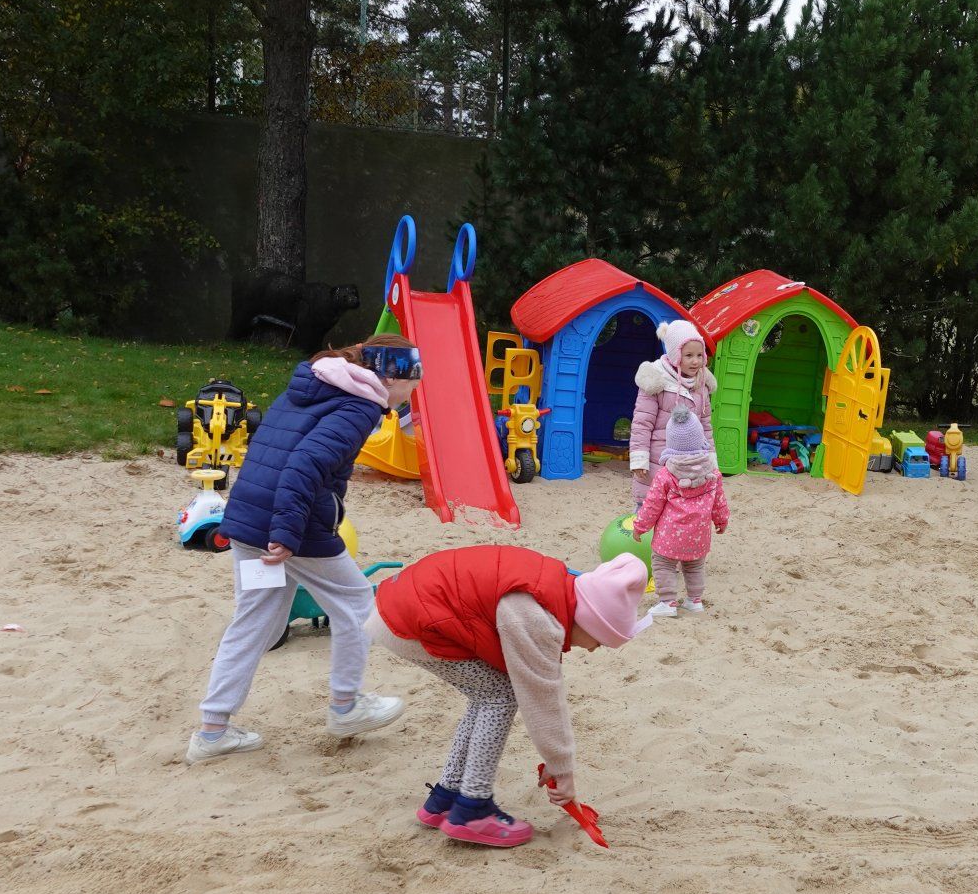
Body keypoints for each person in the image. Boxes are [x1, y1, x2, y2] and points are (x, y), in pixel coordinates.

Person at [185, 336, 422, 765]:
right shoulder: (358, 406)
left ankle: (212, 731)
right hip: (293, 525)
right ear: (392, 376)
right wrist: (287, 535)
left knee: (254, 620)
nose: (414, 392)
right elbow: (304, 466)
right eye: (414, 382)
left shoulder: (312, 384)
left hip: (251, 515)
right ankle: (346, 706)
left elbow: (270, 453)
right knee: (357, 604)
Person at [368, 546, 653, 847]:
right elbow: (542, 699)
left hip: (404, 603)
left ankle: (446, 798)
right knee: (500, 695)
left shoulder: (555, 589)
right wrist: (562, 768)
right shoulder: (536, 617)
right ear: (589, 621)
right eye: (600, 640)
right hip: (410, 618)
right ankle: (472, 809)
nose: (595, 649)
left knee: (488, 694)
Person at [633, 405, 728, 616]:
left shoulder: (666, 474)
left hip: (669, 536)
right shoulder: (713, 472)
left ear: (671, 442)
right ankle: (694, 601)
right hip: (699, 535)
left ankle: (667, 602)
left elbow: (652, 505)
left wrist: (640, 526)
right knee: (694, 567)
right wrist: (721, 521)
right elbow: (719, 501)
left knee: (663, 564)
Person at [630, 319, 715, 509]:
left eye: (700, 355)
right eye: (689, 355)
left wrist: (711, 460)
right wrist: (639, 459)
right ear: (676, 355)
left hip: (690, 465)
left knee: (679, 513)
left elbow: (706, 427)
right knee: (649, 507)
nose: (696, 361)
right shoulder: (656, 381)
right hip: (658, 461)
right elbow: (642, 424)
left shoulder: (702, 385)